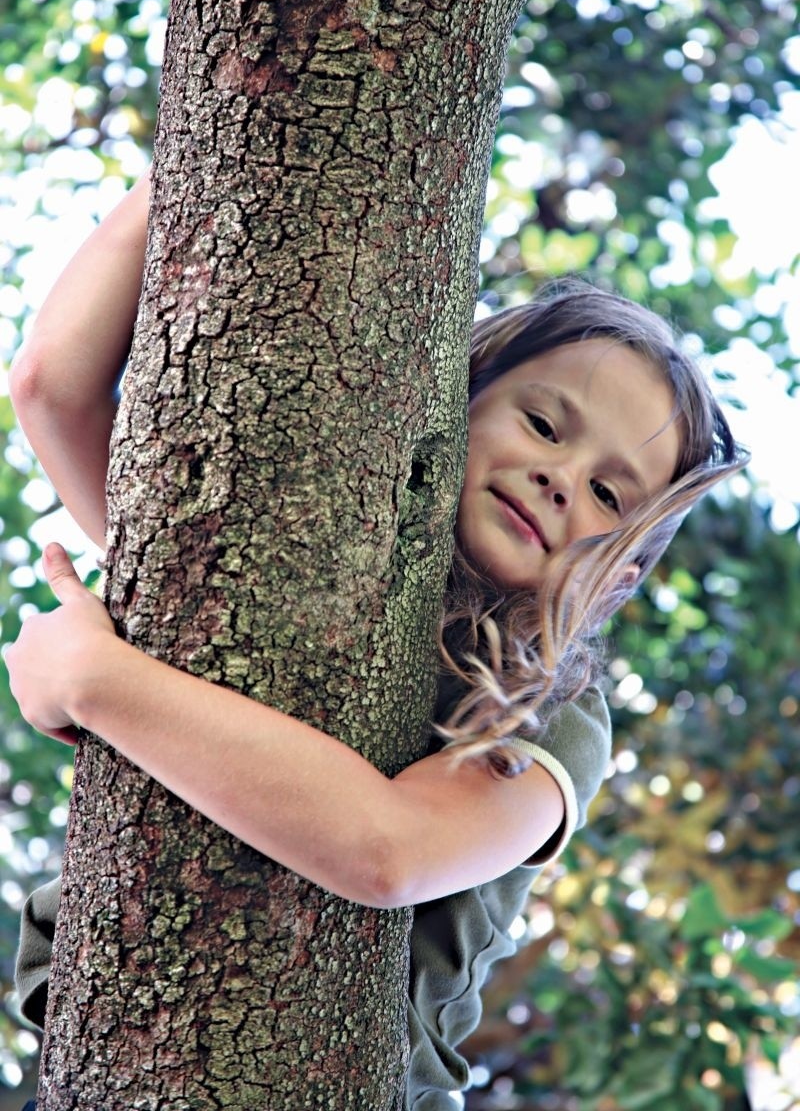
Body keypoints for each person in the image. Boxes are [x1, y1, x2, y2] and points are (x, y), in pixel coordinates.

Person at [5, 165, 746, 1109]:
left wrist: (97, 681)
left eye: (609, 495)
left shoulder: (557, 711)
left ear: (623, 573)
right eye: (543, 424)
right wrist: (202, 158)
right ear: (456, 393)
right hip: (110, 1045)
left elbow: (385, 851)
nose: (563, 479)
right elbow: (51, 388)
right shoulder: (278, 550)